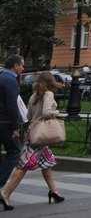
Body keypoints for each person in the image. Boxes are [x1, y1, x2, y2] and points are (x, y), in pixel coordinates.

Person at [0, 71, 65, 207]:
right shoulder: (49, 94)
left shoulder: (33, 96)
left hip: (34, 133)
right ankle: (5, 192)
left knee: (47, 163)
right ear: (49, 82)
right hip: (40, 136)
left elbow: (28, 116)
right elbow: (47, 112)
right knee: (23, 165)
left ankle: (54, 192)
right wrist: (58, 113)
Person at [0, 55, 24, 205]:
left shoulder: (1, 76)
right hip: (5, 123)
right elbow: (11, 106)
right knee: (15, 152)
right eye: (22, 65)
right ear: (15, 65)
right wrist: (15, 127)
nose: (23, 68)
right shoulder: (10, 80)